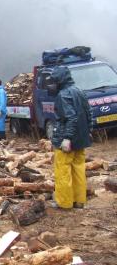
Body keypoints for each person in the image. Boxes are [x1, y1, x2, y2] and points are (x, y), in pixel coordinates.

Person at [48, 66, 92, 209]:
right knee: (79, 169)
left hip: (66, 140)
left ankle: (64, 202)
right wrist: (88, 131)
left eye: (54, 80)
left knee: (63, 171)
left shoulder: (63, 95)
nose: (52, 84)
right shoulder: (79, 91)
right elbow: (88, 113)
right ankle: (79, 200)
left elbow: (71, 117)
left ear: (60, 80)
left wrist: (67, 138)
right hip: (81, 139)